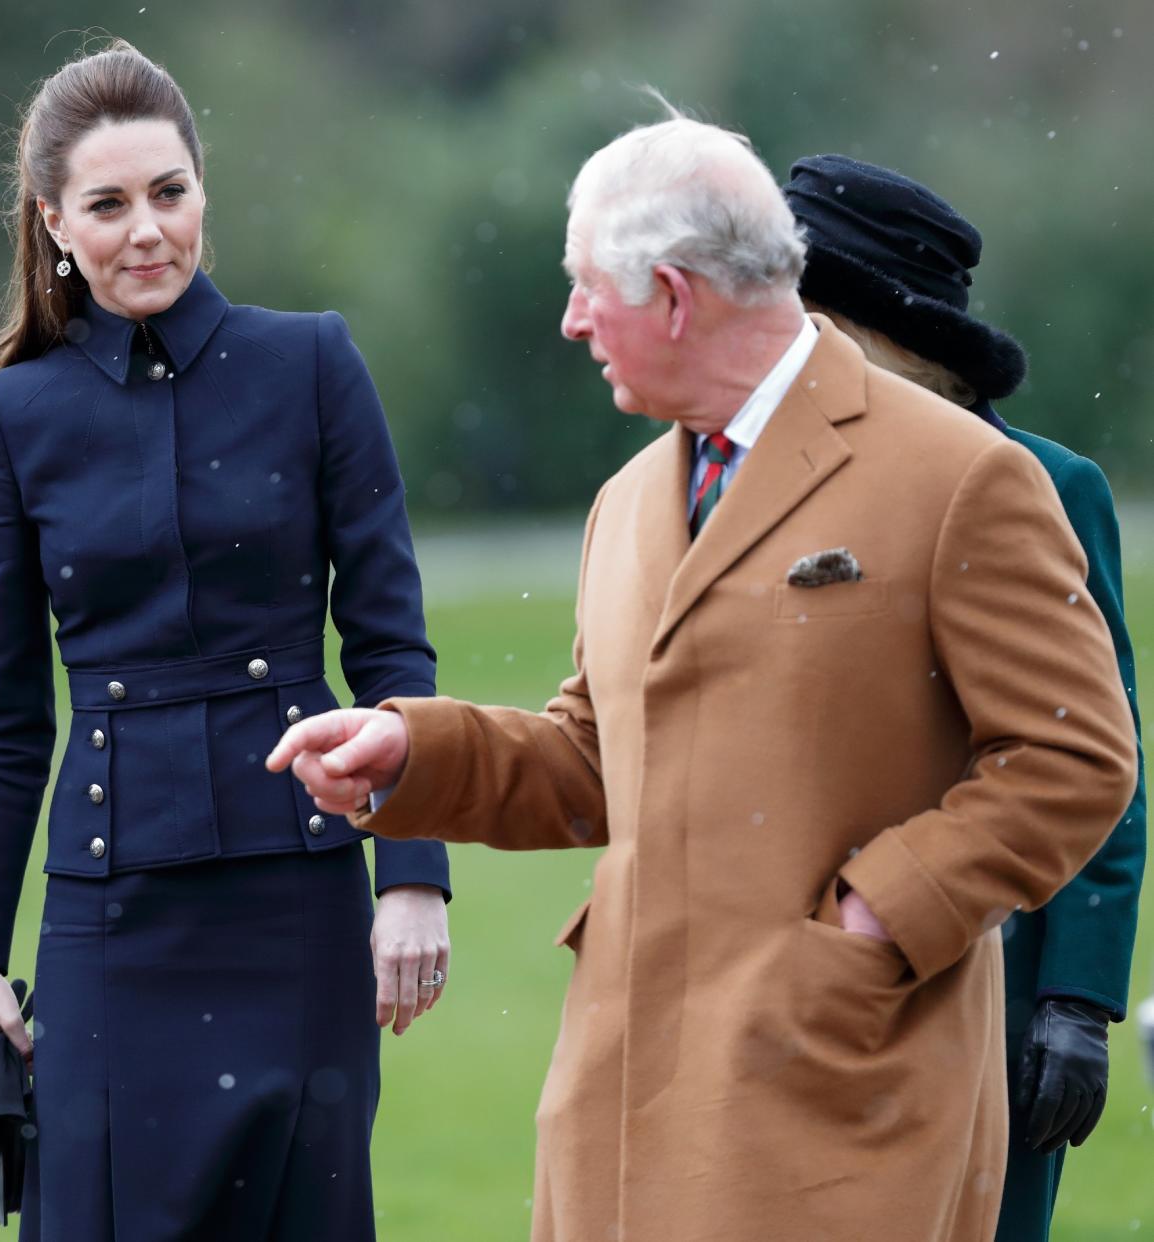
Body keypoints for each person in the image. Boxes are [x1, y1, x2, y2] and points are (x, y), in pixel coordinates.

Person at [267, 102, 1138, 1242]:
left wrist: (877, 920)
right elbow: (593, 757)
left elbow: (1074, 754)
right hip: (624, 1094)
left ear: (675, 295)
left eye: (590, 286)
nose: (573, 320)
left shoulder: (965, 474)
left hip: (847, 1097)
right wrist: (416, 753)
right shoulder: (625, 503)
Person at [0, 40, 450, 1242]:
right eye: (108, 206)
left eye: (168, 193)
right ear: (56, 223)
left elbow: (391, 649)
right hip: (109, 916)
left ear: (201, 193)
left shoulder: (312, 364)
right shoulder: (13, 416)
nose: (146, 231)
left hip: (300, 894)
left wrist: (412, 879)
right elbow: (4, 714)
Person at [781, 151, 1146, 1242]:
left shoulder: (1045, 483)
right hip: (802, 962)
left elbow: (1096, 751)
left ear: (866, 332)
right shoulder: (761, 481)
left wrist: (1077, 995)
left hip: (994, 964)